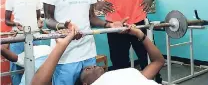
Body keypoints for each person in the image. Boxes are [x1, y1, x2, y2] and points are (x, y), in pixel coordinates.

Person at [31, 25, 165, 85]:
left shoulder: (129, 73)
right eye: (86, 69)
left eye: (88, 67)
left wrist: (140, 35)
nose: (91, 66)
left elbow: (158, 61)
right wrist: (61, 46)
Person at [5, 0, 43, 85]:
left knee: (37, 64)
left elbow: (38, 17)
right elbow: (7, 20)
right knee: (16, 67)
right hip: (18, 38)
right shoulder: (11, 0)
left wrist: (39, 22)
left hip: (35, 36)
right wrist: (15, 24)